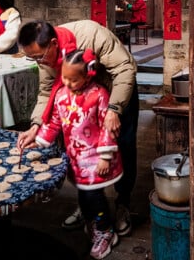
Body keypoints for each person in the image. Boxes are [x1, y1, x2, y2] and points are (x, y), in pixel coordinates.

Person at [16, 19, 138, 237]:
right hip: (81, 103)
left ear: (53, 44)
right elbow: (47, 91)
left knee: (123, 145)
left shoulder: (91, 35)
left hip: (116, 93)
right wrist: (36, 125)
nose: (38, 62)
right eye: (32, 58)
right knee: (83, 152)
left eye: (39, 57)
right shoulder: (44, 57)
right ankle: (89, 205)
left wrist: (113, 109)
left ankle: (123, 203)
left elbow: (124, 70)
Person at [29, 49, 123, 259]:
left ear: (88, 76)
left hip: (96, 157)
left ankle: (105, 230)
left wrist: (105, 157)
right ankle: (92, 223)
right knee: (83, 195)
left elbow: (107, 127)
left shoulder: (99, 94)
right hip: (75, 156)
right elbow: (54, 121)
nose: (68, 83)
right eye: (65, 77)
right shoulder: (61, 95)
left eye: (74, 79)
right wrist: (40, 140)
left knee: (94, 196)